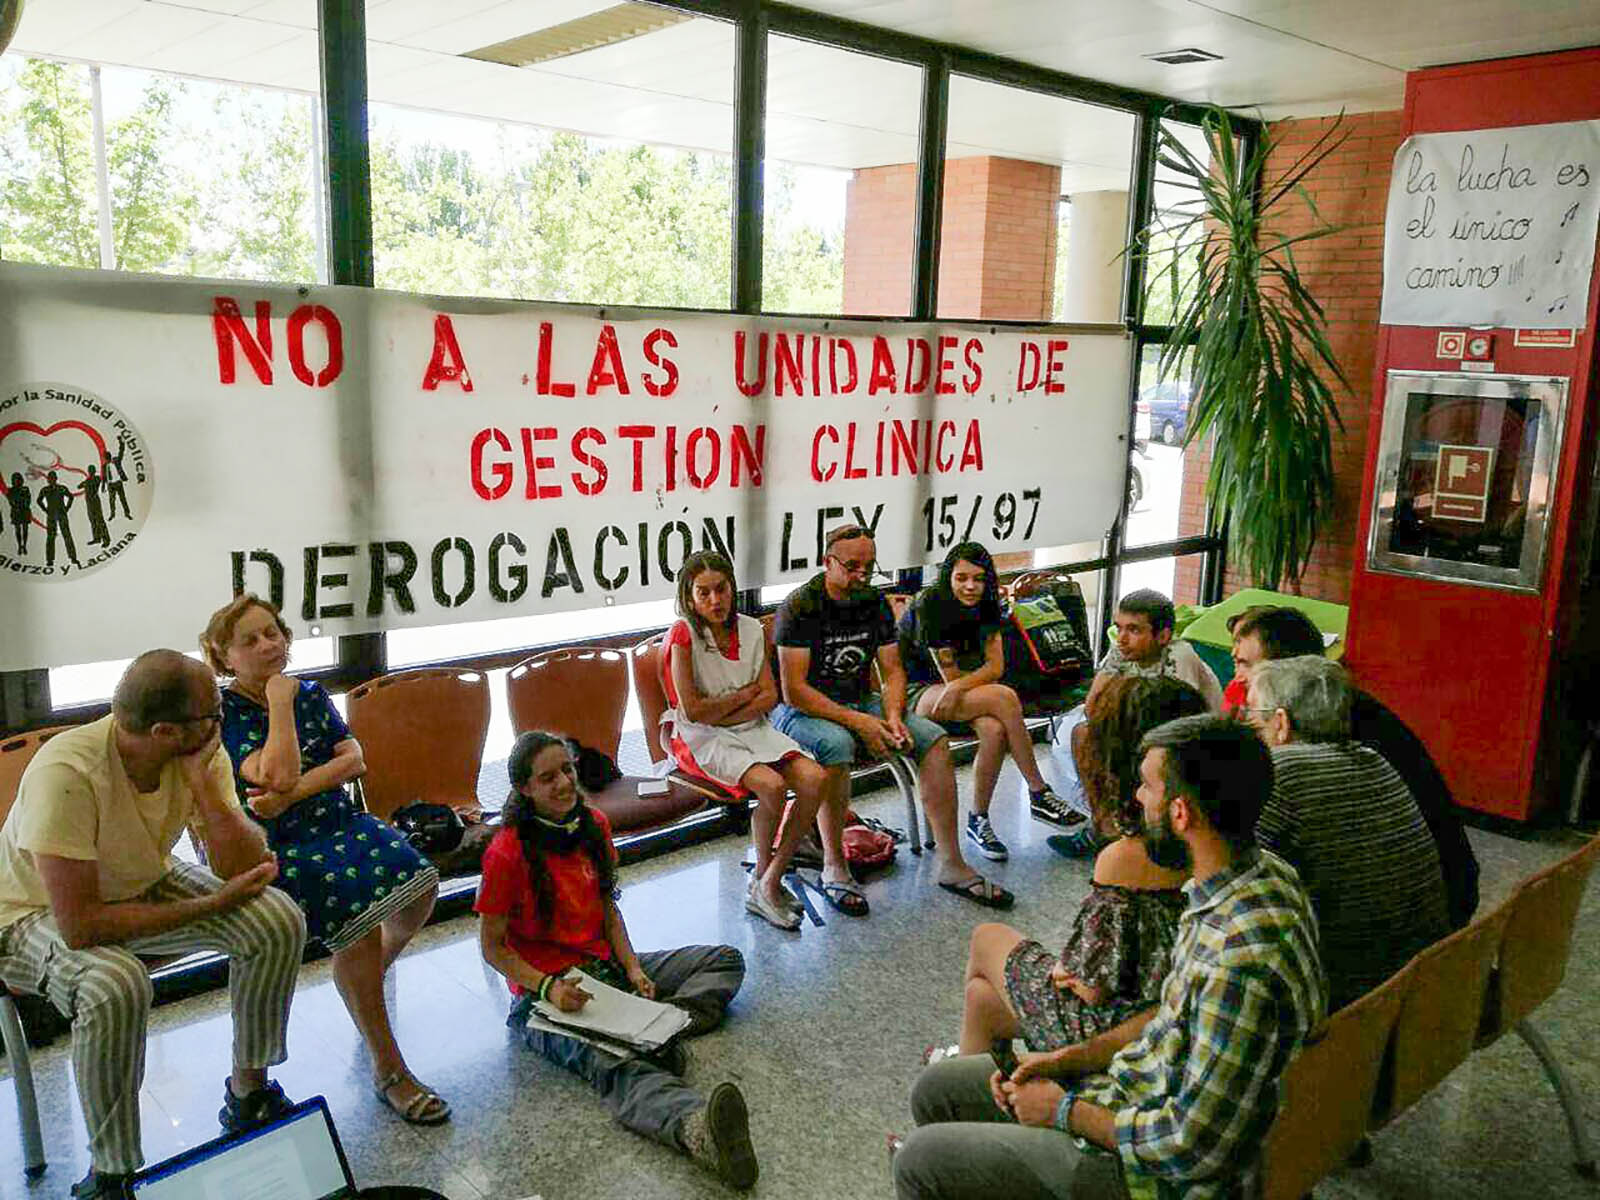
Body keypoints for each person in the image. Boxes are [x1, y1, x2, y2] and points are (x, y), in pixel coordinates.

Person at [896, 716, 1326, 1200]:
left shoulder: (1236, 963)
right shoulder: (1258, 877)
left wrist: (1064, 1111)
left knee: (920, 1161)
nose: (1138, 798)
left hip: (1153, 1179)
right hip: (1138, 1090)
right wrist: (1066, 1061)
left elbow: (1191, 1149)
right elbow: (1167, 1023)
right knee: (936, 1089)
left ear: (1181, 813)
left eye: (1147, 787)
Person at [0, 650, 307, 1199]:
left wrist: (209, 792)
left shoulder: (195, 751)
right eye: (213, 713)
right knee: (114, 984)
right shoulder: (66, 773)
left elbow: (247, 867)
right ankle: (110, 1173)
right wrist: (210, 907)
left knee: (276, 919)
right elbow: (81, 926)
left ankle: (248, 1092)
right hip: (28, 911)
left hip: (139, 879)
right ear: (164, 730)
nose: (222, 722)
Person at [201, 595, 447, 1126]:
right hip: (276, 844)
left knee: (422, 884)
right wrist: (280, 706)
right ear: (225, 658)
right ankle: (390, 1071)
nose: (270, 644)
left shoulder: (310, 693)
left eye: (274, 632)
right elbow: (273, 774)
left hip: (337, 821)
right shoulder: (227, 714)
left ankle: (362, 980)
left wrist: (293, 791)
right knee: (356, 921)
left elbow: (353, 759)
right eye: (252, 640)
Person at [477, 732, 756, 1188]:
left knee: (724, 960)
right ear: (524, 790)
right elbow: (493, 947)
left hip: (605, 967)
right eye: (548, 779)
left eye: (567, 770)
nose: (564, 783)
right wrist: (548, 988)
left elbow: (607, 908)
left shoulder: (593, 825)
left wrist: (632, 968)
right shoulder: (506, 852)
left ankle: (661, 1026)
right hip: (543, 995)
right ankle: (694, 1130)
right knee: (615, 1064)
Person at [943, 677, 1206, 1065]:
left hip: (1121, 1024)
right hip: (1163, 998)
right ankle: (979, 1078)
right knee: (980, 1000)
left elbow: (1090, 987)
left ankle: (974, 1083)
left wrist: (1069, 969)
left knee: (987, 937)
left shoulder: (1127, 855)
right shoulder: (1209, 829)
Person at [771, 524, 1013, 916]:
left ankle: (951, 863)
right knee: (837, 744)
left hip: (858, 701)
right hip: (799, 711)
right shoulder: (800, 605)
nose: (862, 575)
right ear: (826, 562)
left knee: (932, 738)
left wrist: (895, 714)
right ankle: (834, 865)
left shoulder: (873, 602)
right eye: (852, 566)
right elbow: (794, 690)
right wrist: (860, 722)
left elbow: (893, 670)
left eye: (869, 566)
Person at [1227, 605, 1478, 928]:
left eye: (1246, 665)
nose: (1238, 679)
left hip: (1409, 932)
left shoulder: (1304, 759)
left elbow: (1236, 867)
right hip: (1434, 922)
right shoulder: (1351, 714)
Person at [1245, 655, 1449, 1010]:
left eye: (1253, 719)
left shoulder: (1281, 773)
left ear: (1281, 723)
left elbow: (1233, 885)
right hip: (1420, 983)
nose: (1247, 726)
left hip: (1346, 999)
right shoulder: (1375, 758)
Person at [660, 550, 828, 931]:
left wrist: (732, 707)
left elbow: (769, 696)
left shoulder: (751, 628)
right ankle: (765, 886)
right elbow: (695, 712)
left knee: (815, 779)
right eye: (703, 593)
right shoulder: (683, 635)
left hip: (752, 726)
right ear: (688, 598)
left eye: (721, 589)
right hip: (701, 738)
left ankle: (768, 880)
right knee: (771, 786)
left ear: (733, 588)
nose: (714, 600)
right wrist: (742, 698)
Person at [898, 541, 1076, 863]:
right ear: (947, 577)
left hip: (964, 692)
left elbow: (996, 667)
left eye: (978, 579)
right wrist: (960, 685)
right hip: (917, 695)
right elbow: (958, 678)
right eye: (962, 578)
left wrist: (960, 686)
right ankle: (1038, 790)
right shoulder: (931, 606)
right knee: (1005, 697)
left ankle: (978, 820)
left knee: (994, 730)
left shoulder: (989, 605)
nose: (970, 586)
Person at [1050, 590, 1222, 860]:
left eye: (1134, 630)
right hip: (1141, 735)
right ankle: (1105, 828)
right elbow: (1092, 708)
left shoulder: (1179, 655)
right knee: (1083, 734)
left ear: (1163, 636)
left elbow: (1180, 725)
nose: (1122, 639)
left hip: (1191, 744)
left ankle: (1143, 834)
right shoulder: (1122, 651)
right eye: (1119, 628)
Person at [37, 468, 81, 568]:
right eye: (50, 478)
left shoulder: (61, 488)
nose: (51, 480)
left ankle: (73, 557)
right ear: (48, 480)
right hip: (51, 514)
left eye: (53, 478)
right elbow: (38, 500)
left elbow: (71, 497)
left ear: (56, 479)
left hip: (61, 513)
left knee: (67, 535)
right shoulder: (45, 490)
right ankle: (49, 560)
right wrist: (45, 510)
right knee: (51, 537)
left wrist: (67, 508)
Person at [6, 471, 29, 554]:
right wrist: (16, 506)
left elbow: (28, 499)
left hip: (24, 511)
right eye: (15, 480)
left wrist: (24, 505)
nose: (17, 481)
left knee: (25, 529)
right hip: (16, 512)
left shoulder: (25, 489)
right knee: (18, 529)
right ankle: (19, 546)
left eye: (18, 479)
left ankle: (24, 546)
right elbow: (10, 501)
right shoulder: (10, 490)